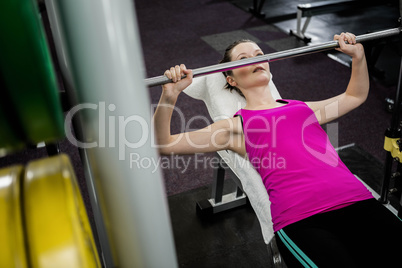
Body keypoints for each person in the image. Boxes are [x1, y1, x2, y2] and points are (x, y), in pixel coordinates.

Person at [153, 32, 402, 267]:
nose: (256, 59)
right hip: (303, 220)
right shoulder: (235, 127)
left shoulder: (303, 109)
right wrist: (170, 94)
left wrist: (358, 56)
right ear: (231, 79)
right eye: (244, 58)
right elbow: (165, 144)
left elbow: (355, 96)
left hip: (357, 202)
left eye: (259, 53)